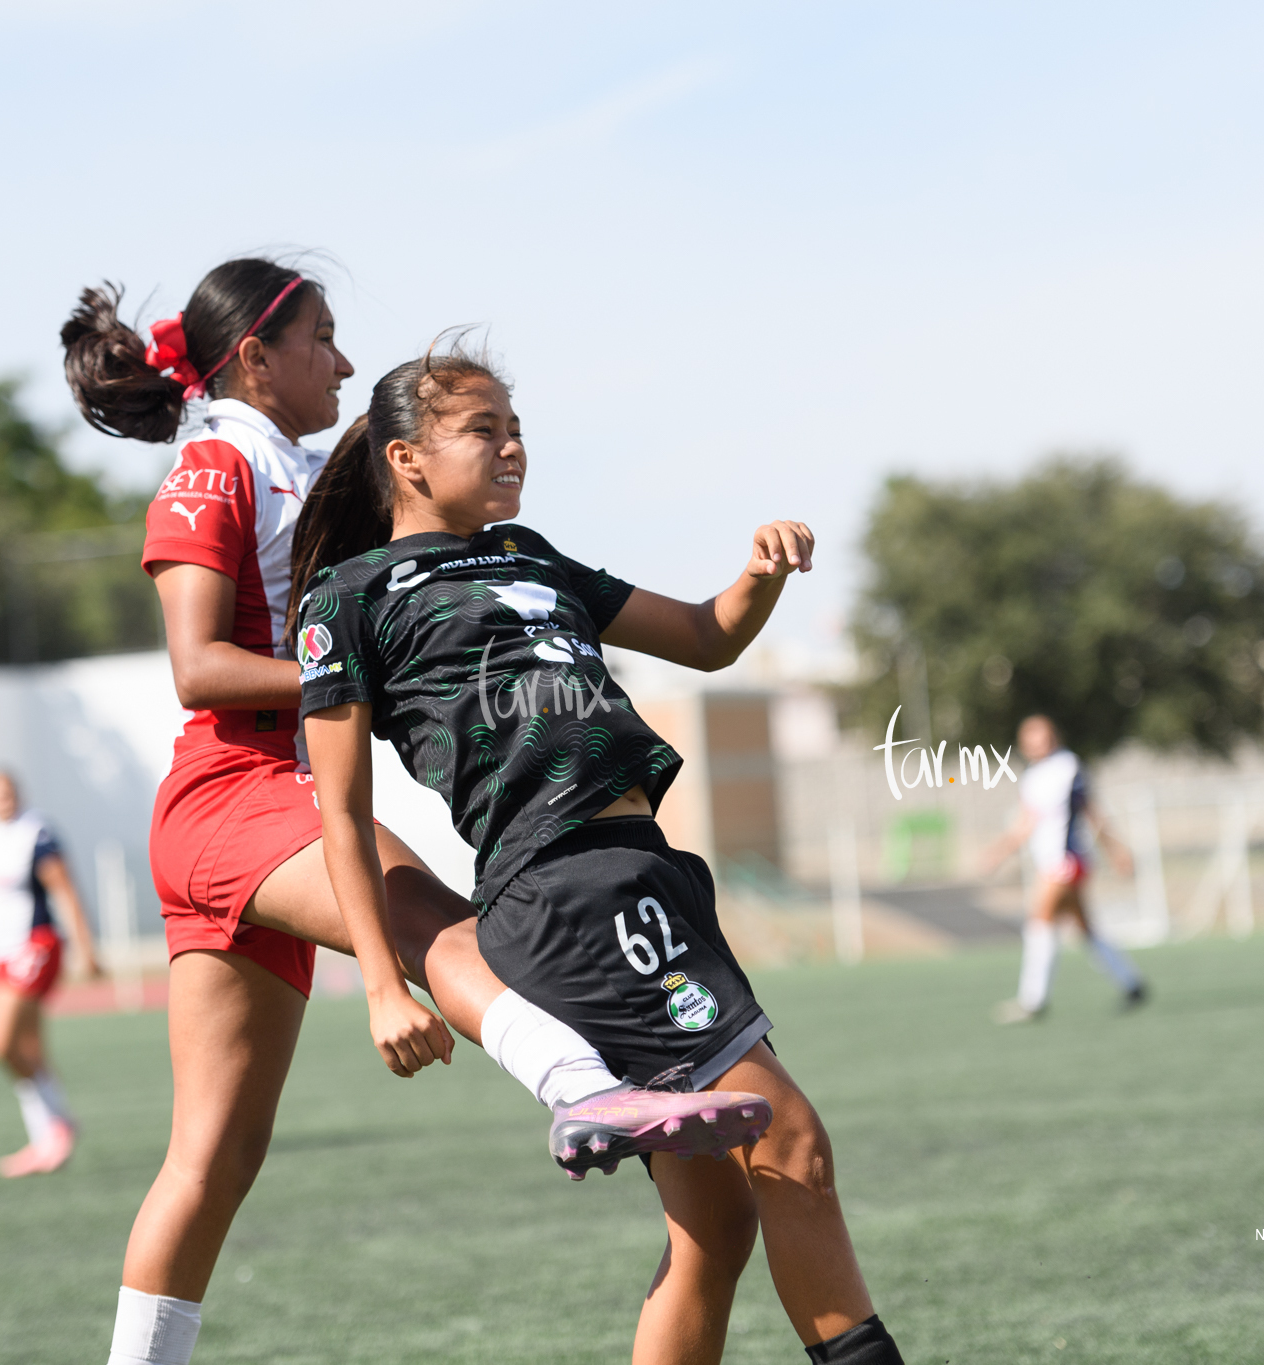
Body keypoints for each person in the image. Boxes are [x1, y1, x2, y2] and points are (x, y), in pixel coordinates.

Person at [59, 261, 767, 1365]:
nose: (341, 360)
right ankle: (581, 1090)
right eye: (322, 339)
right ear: (254, 355)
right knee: (434, 925)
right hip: (233, 794)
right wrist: (380, 671)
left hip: (240, 819)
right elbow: (198, 668)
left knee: (211, 1161)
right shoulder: (213, 463)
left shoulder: (292, 463)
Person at [293, 343, 906, 1365]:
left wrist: (755, 577)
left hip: (645, 871)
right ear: (404, 458)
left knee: (715, 1226)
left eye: (515, 425)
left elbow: (707, 640)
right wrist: (379, 989)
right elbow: (340, 812)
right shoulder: (351, 600)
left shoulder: (531, 554)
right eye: (482, 428)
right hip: (570, 891)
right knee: (790, 1146)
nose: (511, 446)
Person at [0, 768, 104, 1176]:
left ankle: (56, 1125)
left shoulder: (36, 833)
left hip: (35, 945)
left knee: (0, 1044)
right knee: (28, 1048)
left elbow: (65, 889)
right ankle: (49, 1134)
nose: (3, 798)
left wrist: (86, 948)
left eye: (9, 791)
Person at [978, 715, 1148, 1022]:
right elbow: (1025, 823)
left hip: (1067, 861)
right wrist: (999, 852)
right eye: (1030, 737)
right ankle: (1131, 983)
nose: (1036, 743)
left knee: (1038, 921)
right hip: (1051, 863)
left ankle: (1033, 1000)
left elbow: (1093, 812)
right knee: (1086, 929)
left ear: (1053, 737)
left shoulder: (1068, 767)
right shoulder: (1032, 777)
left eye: (1042, 736)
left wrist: (1116, 851)